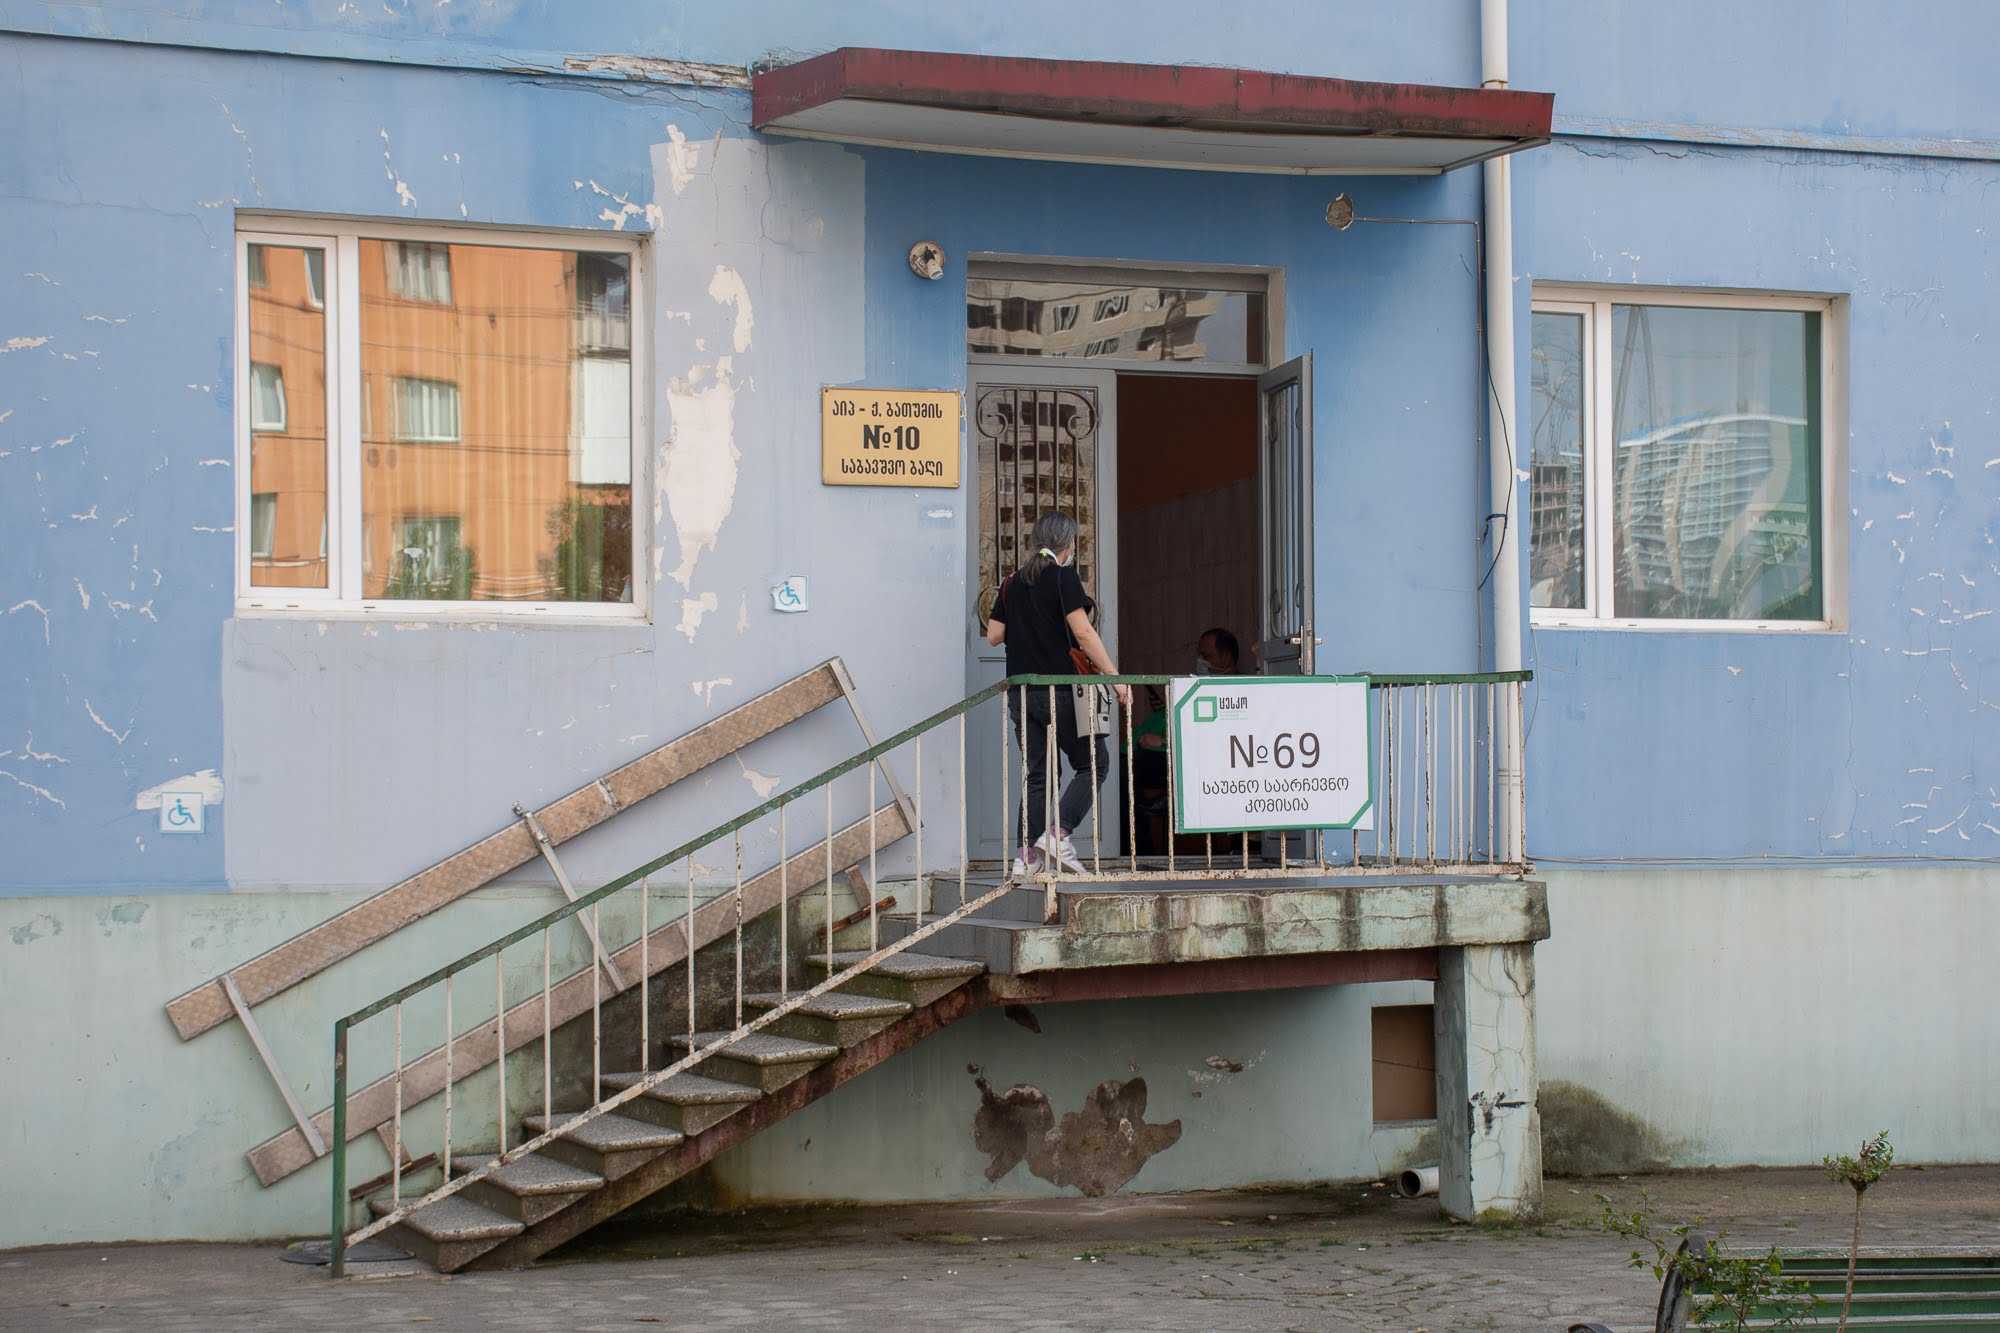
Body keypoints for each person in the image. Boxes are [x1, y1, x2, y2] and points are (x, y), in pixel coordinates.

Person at [985, 512, 1131, 876]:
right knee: (1094, 763)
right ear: (1070, 544)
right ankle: (1058, 833)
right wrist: (1115, 677)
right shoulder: (1063, 577)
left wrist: (1025, 620)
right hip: (1061, 690)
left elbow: (994, 635)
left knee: (1037, 774)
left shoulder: (1012, 583)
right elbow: (1083, 632)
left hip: (1022, 693)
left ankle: (1026, 858)